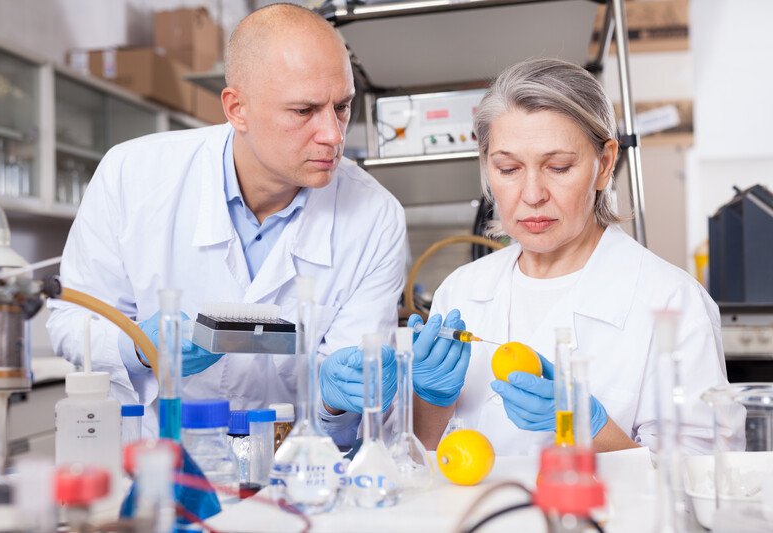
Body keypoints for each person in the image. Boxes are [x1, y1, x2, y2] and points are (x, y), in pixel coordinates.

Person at [46, 4, 404, 446]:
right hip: (160, 463)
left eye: (343, 107)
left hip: (296, 475)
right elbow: (70, 320)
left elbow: (349, 410)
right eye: (304, 110)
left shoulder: (375, 216)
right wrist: (137, 347)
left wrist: (337, 399)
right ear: (238, 109)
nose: (333, 134)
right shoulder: (132, 174)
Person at [409, 58, 738, 455]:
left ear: (604, 164)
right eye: (509, 168)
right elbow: (418, 460)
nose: (532, 194)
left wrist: (588, 426)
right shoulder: (462, 291)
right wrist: (429, 401)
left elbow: (695, 481)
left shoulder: (671, 301)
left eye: (559, 167)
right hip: (470, 517)